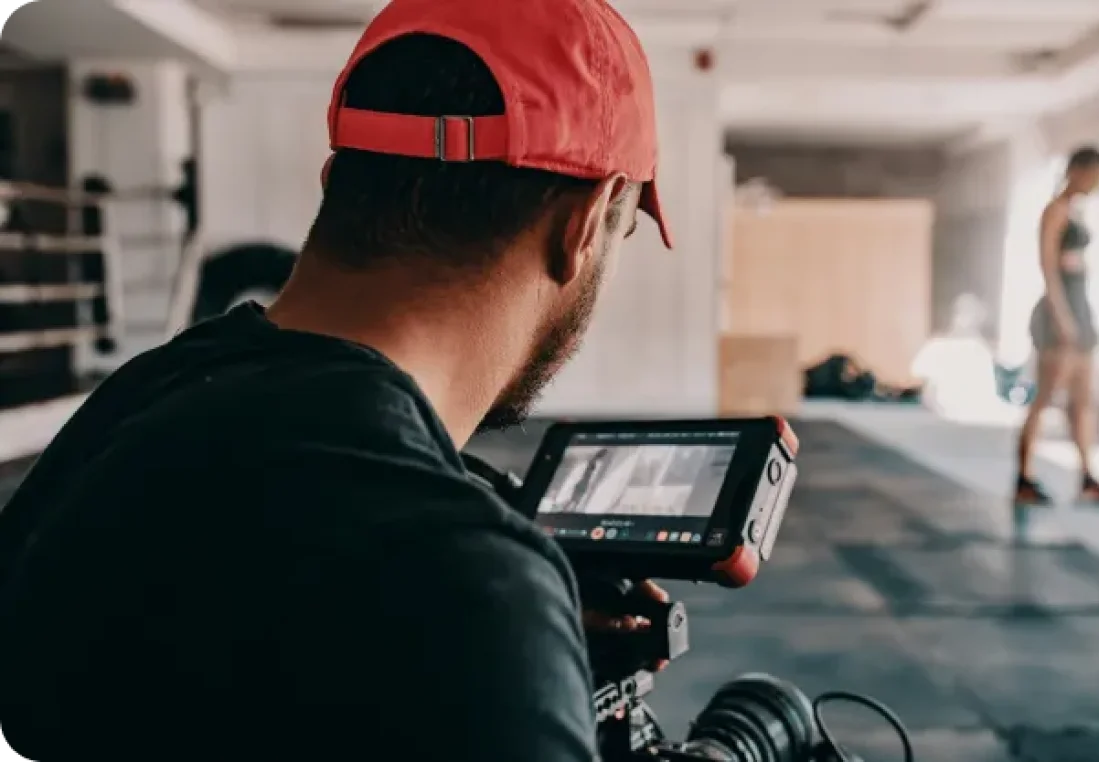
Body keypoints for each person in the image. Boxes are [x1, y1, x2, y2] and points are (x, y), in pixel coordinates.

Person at [0, 1, 671, 759]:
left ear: (339, 177)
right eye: (624, 230)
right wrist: (508, 642)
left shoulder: (143, 397)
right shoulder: (462, 582)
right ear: (582, 228)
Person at [1015, 146, 1099, 507]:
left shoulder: (1077, 212)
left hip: (1080, 305)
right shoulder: (1056, 211)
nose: (1096, 183)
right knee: (1045, 396)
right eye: (1094, 175)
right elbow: (1047, 265)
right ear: (1077, 170)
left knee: (1083, 399)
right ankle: (1024, 477)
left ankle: (1088, 476)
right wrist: (1061, 316)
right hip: (1061, 309)